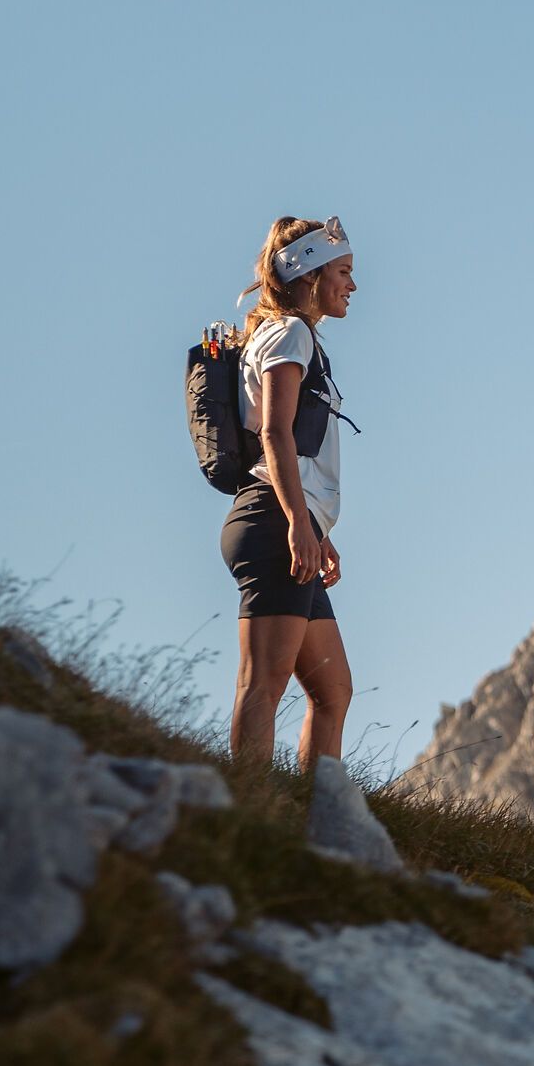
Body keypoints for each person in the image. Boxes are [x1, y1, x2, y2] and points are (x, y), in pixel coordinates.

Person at [223, 213, 356, 767]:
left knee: (334, 692)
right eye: (344, 271)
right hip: (273, 522)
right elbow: (276, 432)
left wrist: (315, 528)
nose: (352, 285)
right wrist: (300, 523)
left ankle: (315, 814)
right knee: (263, 686)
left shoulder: (290, 335)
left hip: (290, 522)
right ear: (310, 274)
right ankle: (249, 815)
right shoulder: (290, 332)